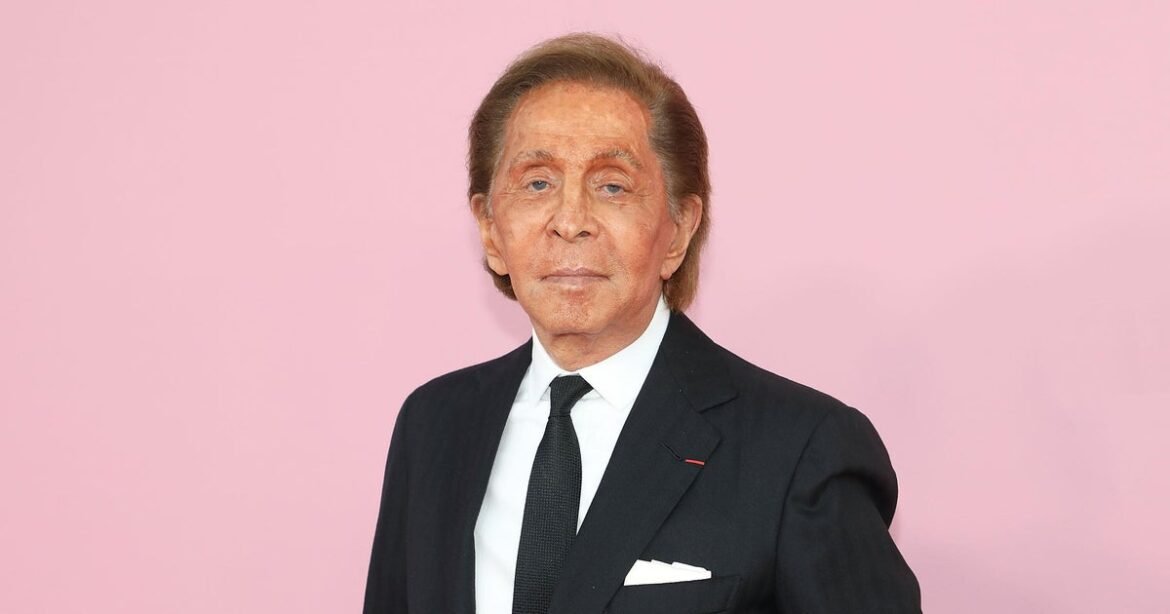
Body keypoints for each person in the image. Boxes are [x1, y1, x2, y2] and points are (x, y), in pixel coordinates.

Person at [363, 33, 921, 613]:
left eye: (612, 186)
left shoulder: (802, 450)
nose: (570, 221)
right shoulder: (434, 426)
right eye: (537, 183)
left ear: (678, 230)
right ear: (490, 230)